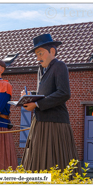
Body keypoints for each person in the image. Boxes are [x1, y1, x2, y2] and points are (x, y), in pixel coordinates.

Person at [21, 34, 81, 175]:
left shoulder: (60, 66)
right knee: (37, 159)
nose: (38, 58)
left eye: (40, 53)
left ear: (52, 51)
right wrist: (30, 95)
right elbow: (45, 92)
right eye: (36, 55)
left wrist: (36, 104)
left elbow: (64, 93)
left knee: (56, 161)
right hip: (40, 121)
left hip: (56, 123)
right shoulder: (41, 69)